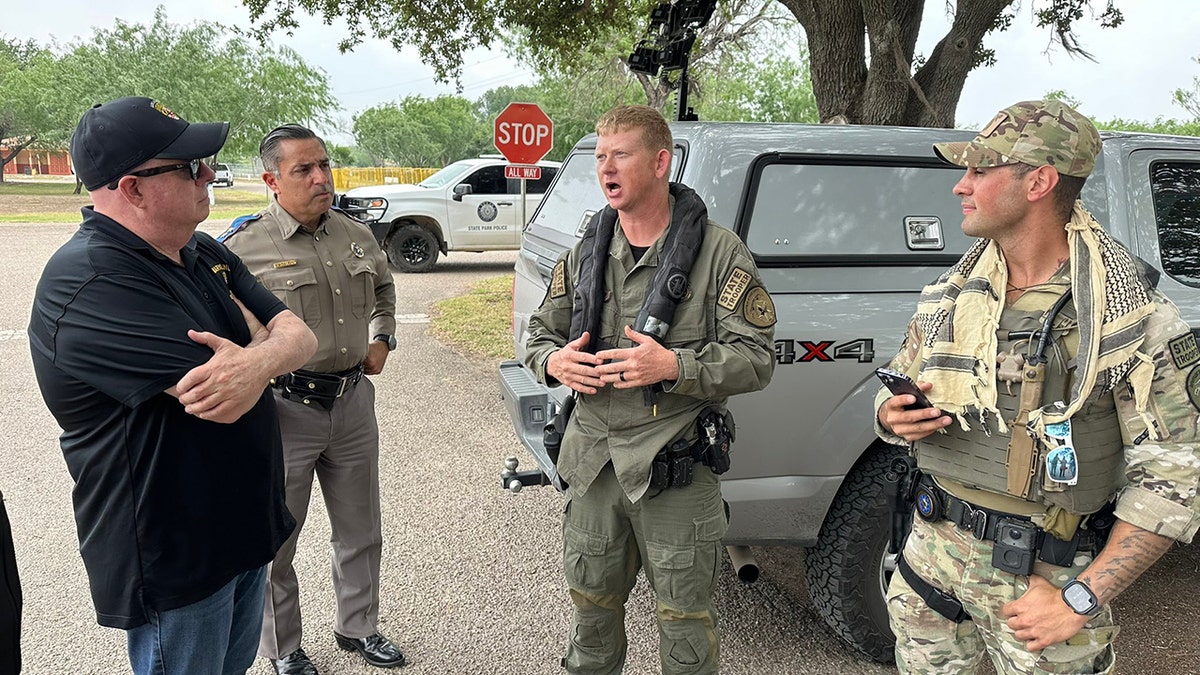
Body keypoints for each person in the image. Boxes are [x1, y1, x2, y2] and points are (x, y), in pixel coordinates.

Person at [875, 100, 1200, 674]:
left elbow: (1176, 473)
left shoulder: (1125, 317)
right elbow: (896, 380)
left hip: (1041, 582)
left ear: (1040, 182)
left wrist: (1082, 598)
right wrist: (890, 416)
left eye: (979, 169)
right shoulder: (958, 293)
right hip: (928, 563)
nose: (960, 186)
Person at [28, 97, 318, 675]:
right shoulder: (89, 280)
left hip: (239, 534)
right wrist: (265, 356)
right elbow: (220, 396)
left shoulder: (199, 249)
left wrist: (256, 363)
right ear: (132, 188)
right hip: (177, 558)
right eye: (189, 166)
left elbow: (299, 335)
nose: (209, 174)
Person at [524, 105, 776, 674]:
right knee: (590, 619)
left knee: (685, 629)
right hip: (593, 468)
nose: (605, 168)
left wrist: (675, 366)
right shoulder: (587, 250)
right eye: (599, 157)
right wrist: (554, 362)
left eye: (620, 155)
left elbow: (758, 360)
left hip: (675, 468)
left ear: (661, 162)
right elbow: (538, 333)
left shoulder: (718, 254)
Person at [220, 125, 403, 674]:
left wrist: (382, 336)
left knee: (361, 527)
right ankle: (282, 647)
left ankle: (359, 627)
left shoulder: (355, 234)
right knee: (277, 537)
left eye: (324, 165)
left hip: (351, 403)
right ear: (271, 180)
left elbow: (385, 289)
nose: (321, 178)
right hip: (282, 410)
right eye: (304, 169)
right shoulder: (241, 247)